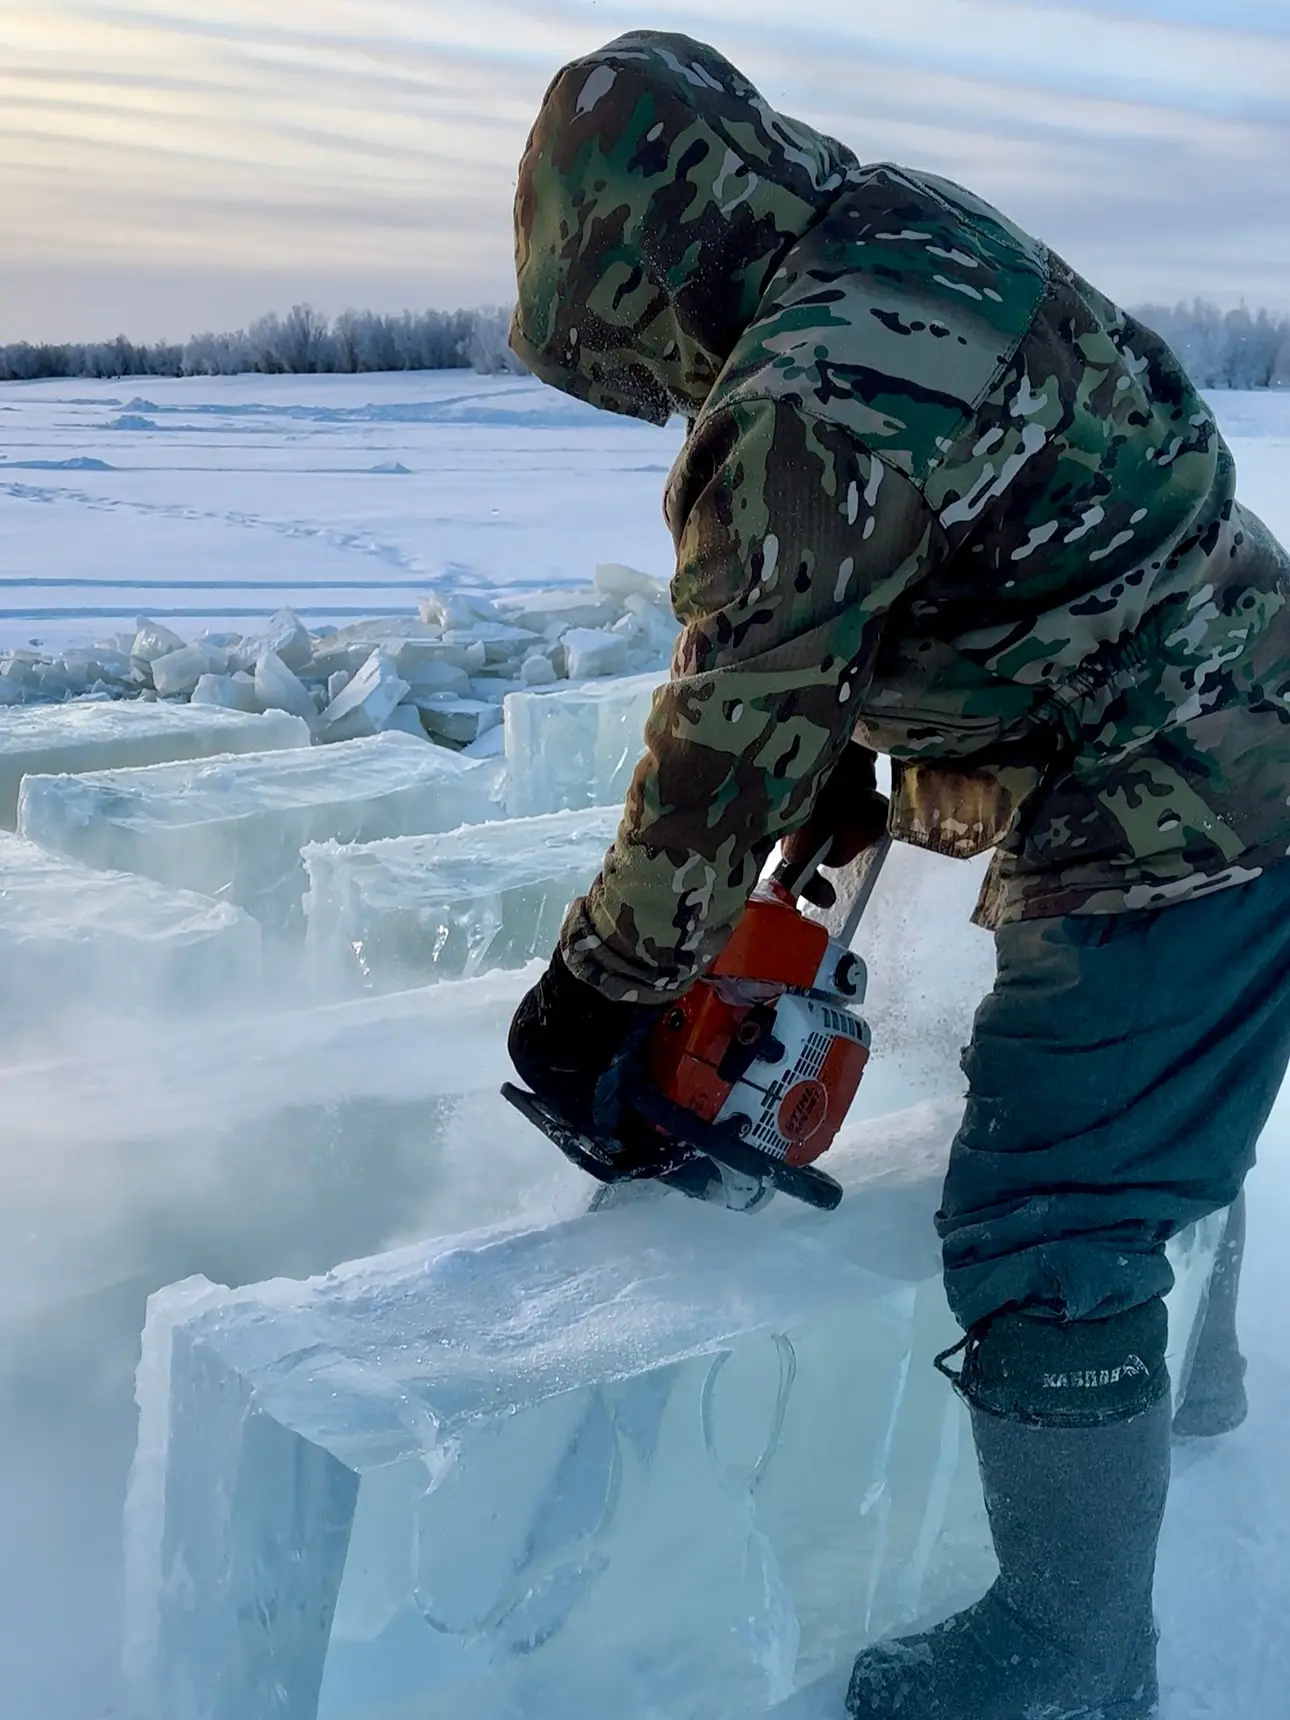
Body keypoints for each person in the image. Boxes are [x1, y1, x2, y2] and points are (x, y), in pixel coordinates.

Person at [505, 29, 1290, 1719]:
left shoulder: (803, 390)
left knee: (1052, 1207)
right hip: (1238, 692)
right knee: (1154, 1118)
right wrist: (856, 773)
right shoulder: (894, 230)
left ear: (648, 261)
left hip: (1191, 793)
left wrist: (595, 994)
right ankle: (1196, 1398)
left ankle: (1072, 1655)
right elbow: (976, 536)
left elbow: (732, 719)